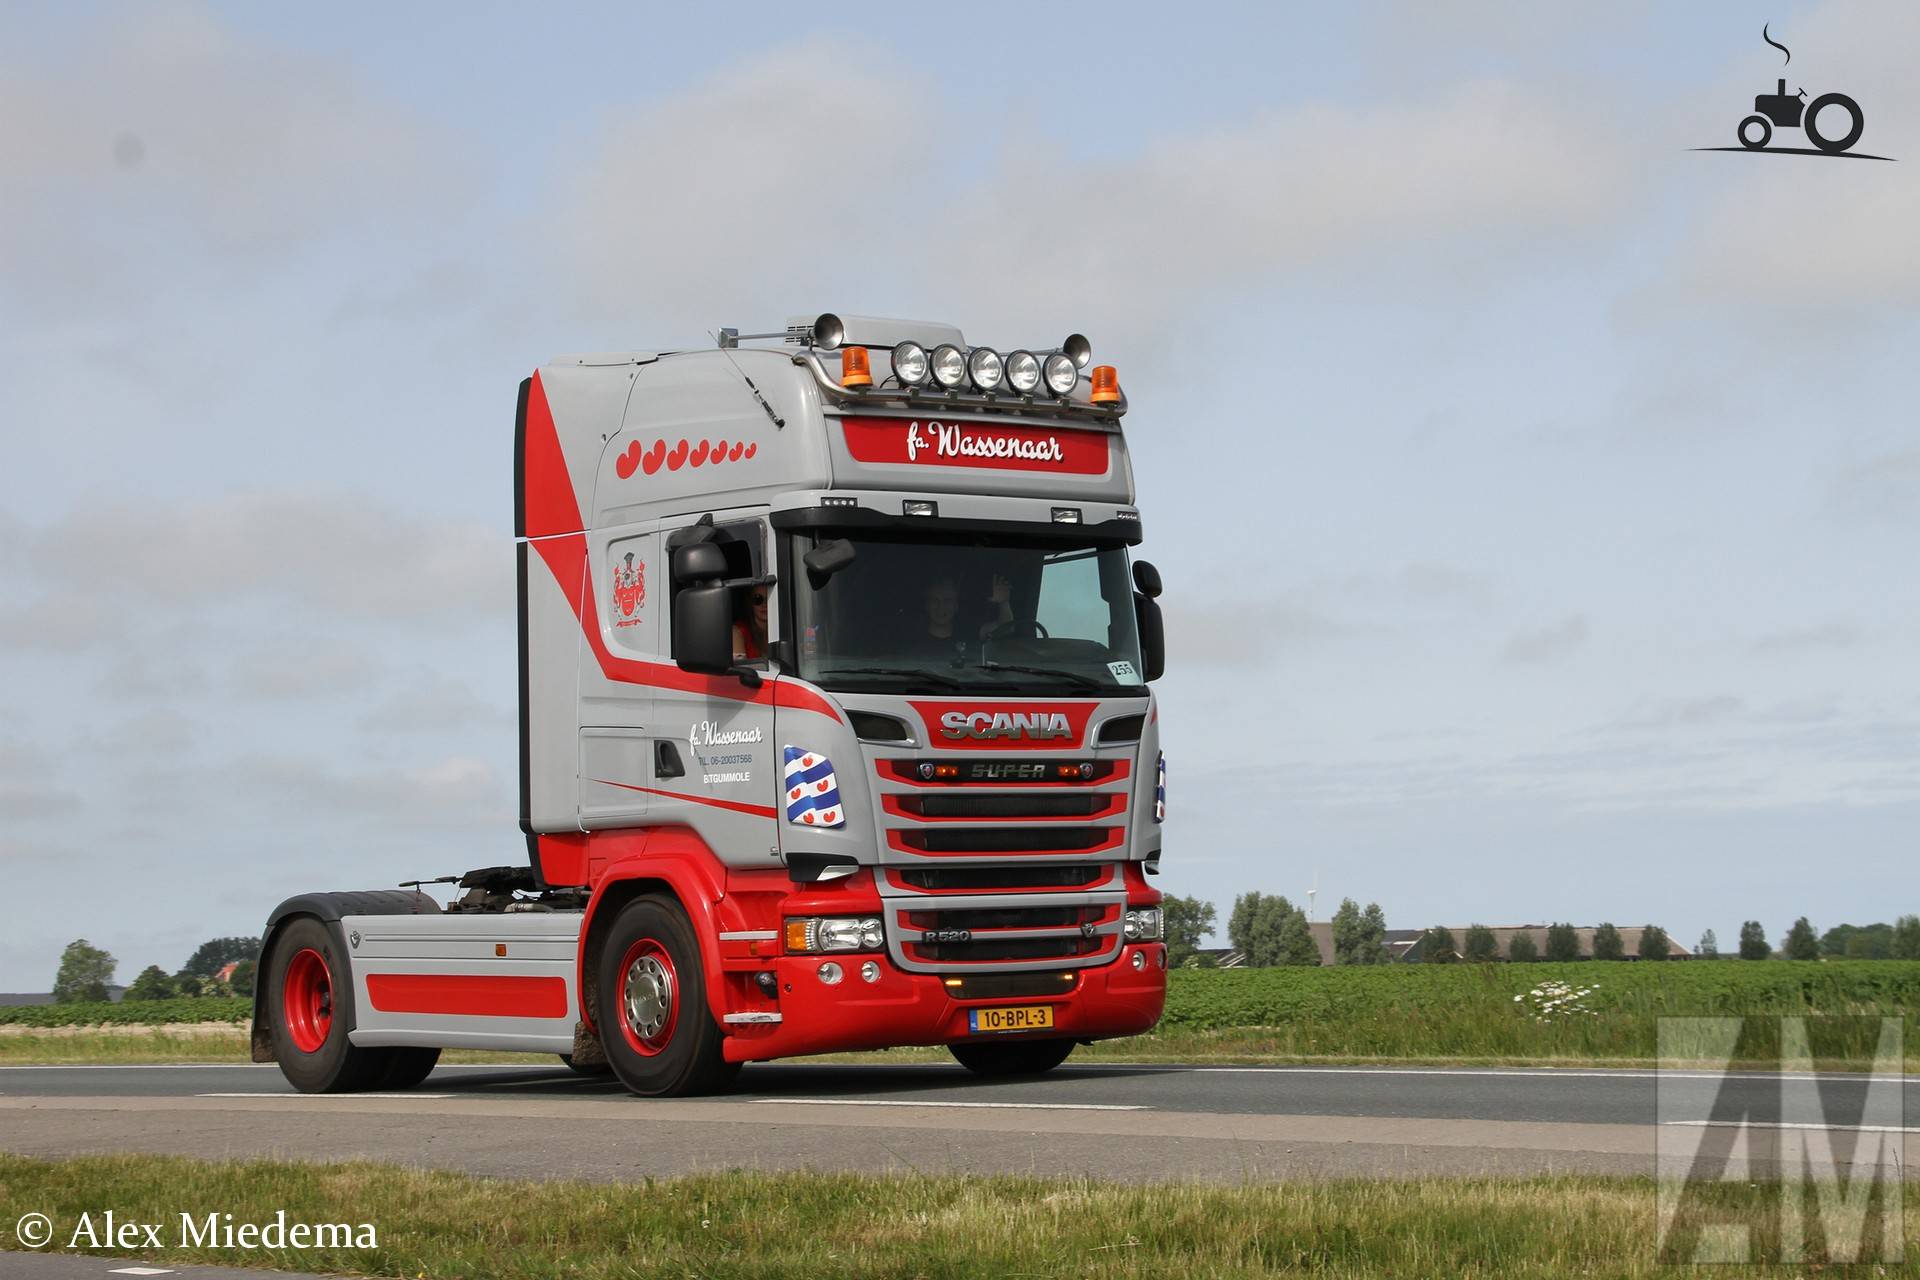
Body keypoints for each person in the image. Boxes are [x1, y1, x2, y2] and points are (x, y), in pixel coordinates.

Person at [732, 584, 768, 662]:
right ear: (750, 602)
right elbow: (740, 671)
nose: (764, 604)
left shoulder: (785, 630)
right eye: (758, 599)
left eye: (769, 598)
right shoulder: (738, 632)